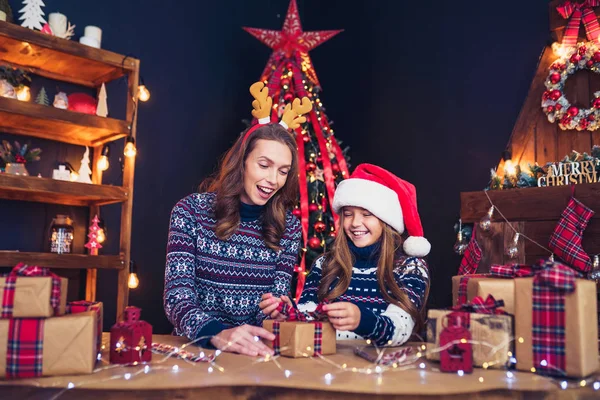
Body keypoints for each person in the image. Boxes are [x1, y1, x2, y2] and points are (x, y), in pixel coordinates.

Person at [164, 82, 311, 356]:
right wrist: (217, 333)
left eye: (282, 171)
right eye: (264, 165)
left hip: (257, 354)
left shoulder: (288, 227)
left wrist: (280, 310)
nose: (272, 180)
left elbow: (276, 302)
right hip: (200, 351)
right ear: (242, 162)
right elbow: (177, 299)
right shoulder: (190, 212)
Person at [261, 163, 430, 346]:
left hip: (384, 369)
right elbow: (309, 316)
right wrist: (290, 313)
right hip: (327, 367)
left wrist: (361, 320)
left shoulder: (410, 267)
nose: (355, 223)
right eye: (348, 214)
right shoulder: (325, 264)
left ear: (386, 221)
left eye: (366, 214)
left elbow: (400, 329)